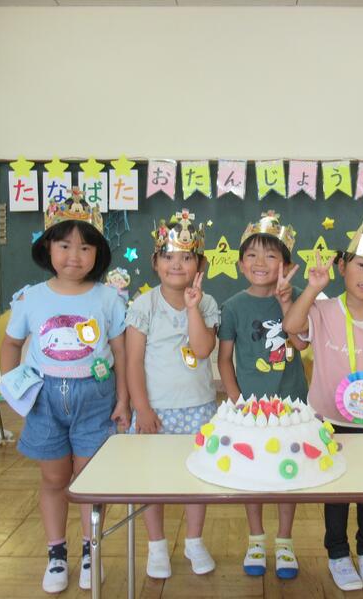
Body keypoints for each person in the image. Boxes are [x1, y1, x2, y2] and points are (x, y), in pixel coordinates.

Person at [0, 190, 129, 594]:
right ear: (48, 248)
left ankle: (92, 549)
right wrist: (13, 388)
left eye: (85, 247)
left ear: (98, 253)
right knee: (54, 477)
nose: (75, 255)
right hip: (44, 398)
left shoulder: (109, 298)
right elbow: (11, 345)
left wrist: (124, 399)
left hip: (96, 397)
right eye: (65, 245)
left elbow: (122, 353)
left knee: (89, 479)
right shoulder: (30, 298)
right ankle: (56, 552)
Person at [283, 221, 363, 592]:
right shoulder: (323, 311)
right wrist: (313, 289)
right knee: (335, 492)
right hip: (330, 420)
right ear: (342, 266)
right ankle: (337, 553)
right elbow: (292, 325)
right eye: (361, 265)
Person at [125, 209, 219, 579]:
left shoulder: (207, 304)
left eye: (186, 257)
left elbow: (202, 350)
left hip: (198, 409)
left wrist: (193, 308)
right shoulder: (143, 305)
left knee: (196, 478)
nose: (176, 264)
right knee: (154, 480)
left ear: (200, 264)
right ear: (155, 262)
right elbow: (133, 362)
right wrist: (142, 408)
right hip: (156, 411)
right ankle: (157, 546)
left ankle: (194, 541)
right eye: (167, 256)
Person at [217, 211, 307, 580]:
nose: (260, 262)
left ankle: (284, 541)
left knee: (288, 475)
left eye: (271, 255)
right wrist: (238, 402)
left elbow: (301, 343)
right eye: (252, 255)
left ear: (286, 264)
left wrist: (287, 302)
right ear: (240, 264)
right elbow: (224, 359)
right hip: (249, 410)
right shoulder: (233, 306)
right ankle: (256, 539)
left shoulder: (298, 297)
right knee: (251, 475)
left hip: (292, 406)